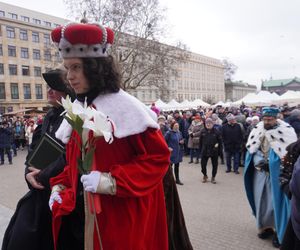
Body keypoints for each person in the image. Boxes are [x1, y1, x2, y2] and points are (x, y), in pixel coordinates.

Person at [48, 22, 170, 250]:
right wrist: (59, 187)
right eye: (68, 68)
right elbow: (74, 164)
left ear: (95, 68)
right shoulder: (77, 108)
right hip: (80, 218)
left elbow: (158, 159)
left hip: (121, 218)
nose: (70, 77)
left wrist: (110, 181)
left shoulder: (128, 107)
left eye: (76, 67)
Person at [1, 68, 74, 250]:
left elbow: (70, 156)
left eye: (54, 87)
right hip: (40, 191)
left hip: (61, 191)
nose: (49, 91)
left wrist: (42, 175)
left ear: (66, 92)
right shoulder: (48, 116)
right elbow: (34, 150)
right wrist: (28, 173)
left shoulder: (75, 117)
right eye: (48, 87)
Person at [244, 107, 297, 248]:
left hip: (277, 175)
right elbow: (252, 150)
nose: (266, 122)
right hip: (260, 174)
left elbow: (289, 155)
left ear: (276, 118)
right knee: (261, 201)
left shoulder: (287, 131)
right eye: (265, 119)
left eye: (269, 119)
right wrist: (258, 161)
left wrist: (272, 164)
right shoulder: (257, 129)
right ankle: (264, 227)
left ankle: (279, 233)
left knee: (277, 203)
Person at [199, 118, 222, 184]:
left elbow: (220, 142)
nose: (208, 124)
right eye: (207, 123)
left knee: (215, 165)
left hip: (214, 151)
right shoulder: (202, 131)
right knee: (203, 166)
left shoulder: (217, 131)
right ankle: (205, 175)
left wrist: (220, 152)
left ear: (212, 124)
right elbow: (200, 142)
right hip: (204, 151)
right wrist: (200, 150)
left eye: (210, 123)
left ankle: (213, 177)